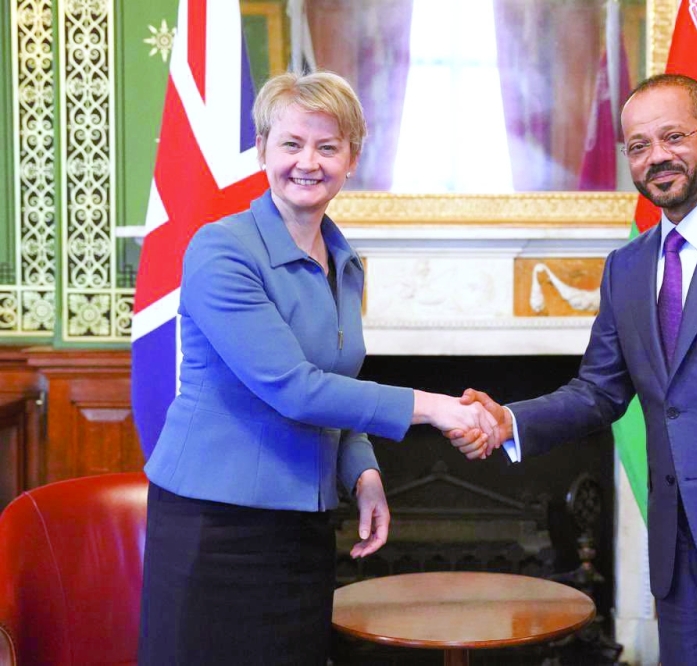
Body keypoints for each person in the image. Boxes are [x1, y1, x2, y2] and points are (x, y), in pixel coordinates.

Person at [451, 74, 697, 665]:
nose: (657, 156)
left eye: (673, 136)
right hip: (675, 558)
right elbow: (598, 391)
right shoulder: (627, 267)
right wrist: (509, 420)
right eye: (639, 146)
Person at [138, 71, 496, 666]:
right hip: (217, 529)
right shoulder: (220, 249)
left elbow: (340, 383)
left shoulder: (345, 260)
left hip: (303, 528)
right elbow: (296, 391)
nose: (309, 162)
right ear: (263, 151)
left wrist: (363, 474)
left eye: (328, 146)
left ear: (351, 159)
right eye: (292, 144)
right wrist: (436, 407)